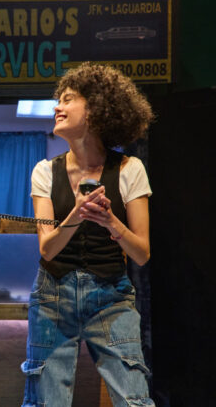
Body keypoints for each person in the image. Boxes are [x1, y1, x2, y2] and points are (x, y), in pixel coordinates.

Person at [21, 63, 155, 407]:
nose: (57, 107)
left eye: (67, 100)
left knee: (134, 399)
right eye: (58, 100)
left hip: (111, 294)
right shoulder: (43, 172)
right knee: (45, 401)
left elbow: (141, 253)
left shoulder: (129, 169)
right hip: (52, 295)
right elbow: (47, 249)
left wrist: (111, 220)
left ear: (95, 110)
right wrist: (77, 214)